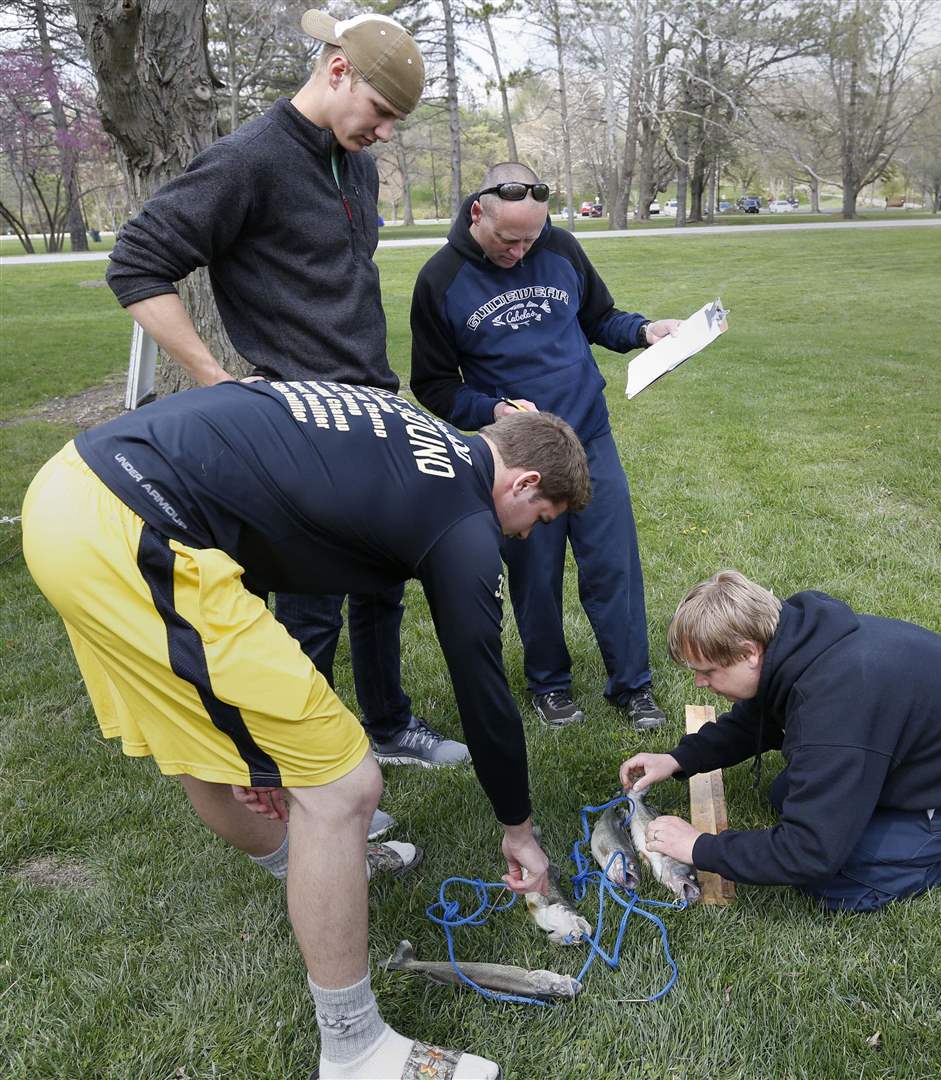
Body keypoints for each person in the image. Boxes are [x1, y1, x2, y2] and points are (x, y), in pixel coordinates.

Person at [22, 379, 591, 1079]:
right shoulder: (464, 517)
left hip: (70, 491)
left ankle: (322, 867)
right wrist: (519, 830)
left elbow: (261, 498)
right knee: (346, 786)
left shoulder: (408, 431)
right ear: (524, 479)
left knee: (204, 754)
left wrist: (250, 751)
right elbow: (484, 690)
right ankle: (355, 1050)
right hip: (135, 529)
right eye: (538, 515)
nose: (527, 533)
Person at [105, 11, 469, 820]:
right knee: (310, 610)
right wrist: (214, 378)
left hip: (373, 407)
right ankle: (310, 774)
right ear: (337, 72)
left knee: (385, 582)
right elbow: (137, 264)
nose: (381, 134)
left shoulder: (356, 167)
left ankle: (389, 725)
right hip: (299, 430)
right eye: (378, 114)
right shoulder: (248, 159)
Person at [410, 161, 680, 732]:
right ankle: (549, 684)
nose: (520, 251)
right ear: (477, 212)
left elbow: (598, 317)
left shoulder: (559, 247)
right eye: (509, 240)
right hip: (521, 457)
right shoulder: (440, 279)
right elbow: (434, 384)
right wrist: (493, 411)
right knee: (535, 573)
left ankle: (633, 686)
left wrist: (643, 331)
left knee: (613, 564)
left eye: (531, 238)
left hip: (589, 437)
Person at [620, 570, 941, 913]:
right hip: (930, 753)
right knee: (788, 794)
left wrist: (700, 847)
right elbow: (756, 720)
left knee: (831, 880)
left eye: (707, 671)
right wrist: (678, 759)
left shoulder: (837, 707)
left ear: (748, 652)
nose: (700, 682)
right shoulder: (795, 642)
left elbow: (809, 851)